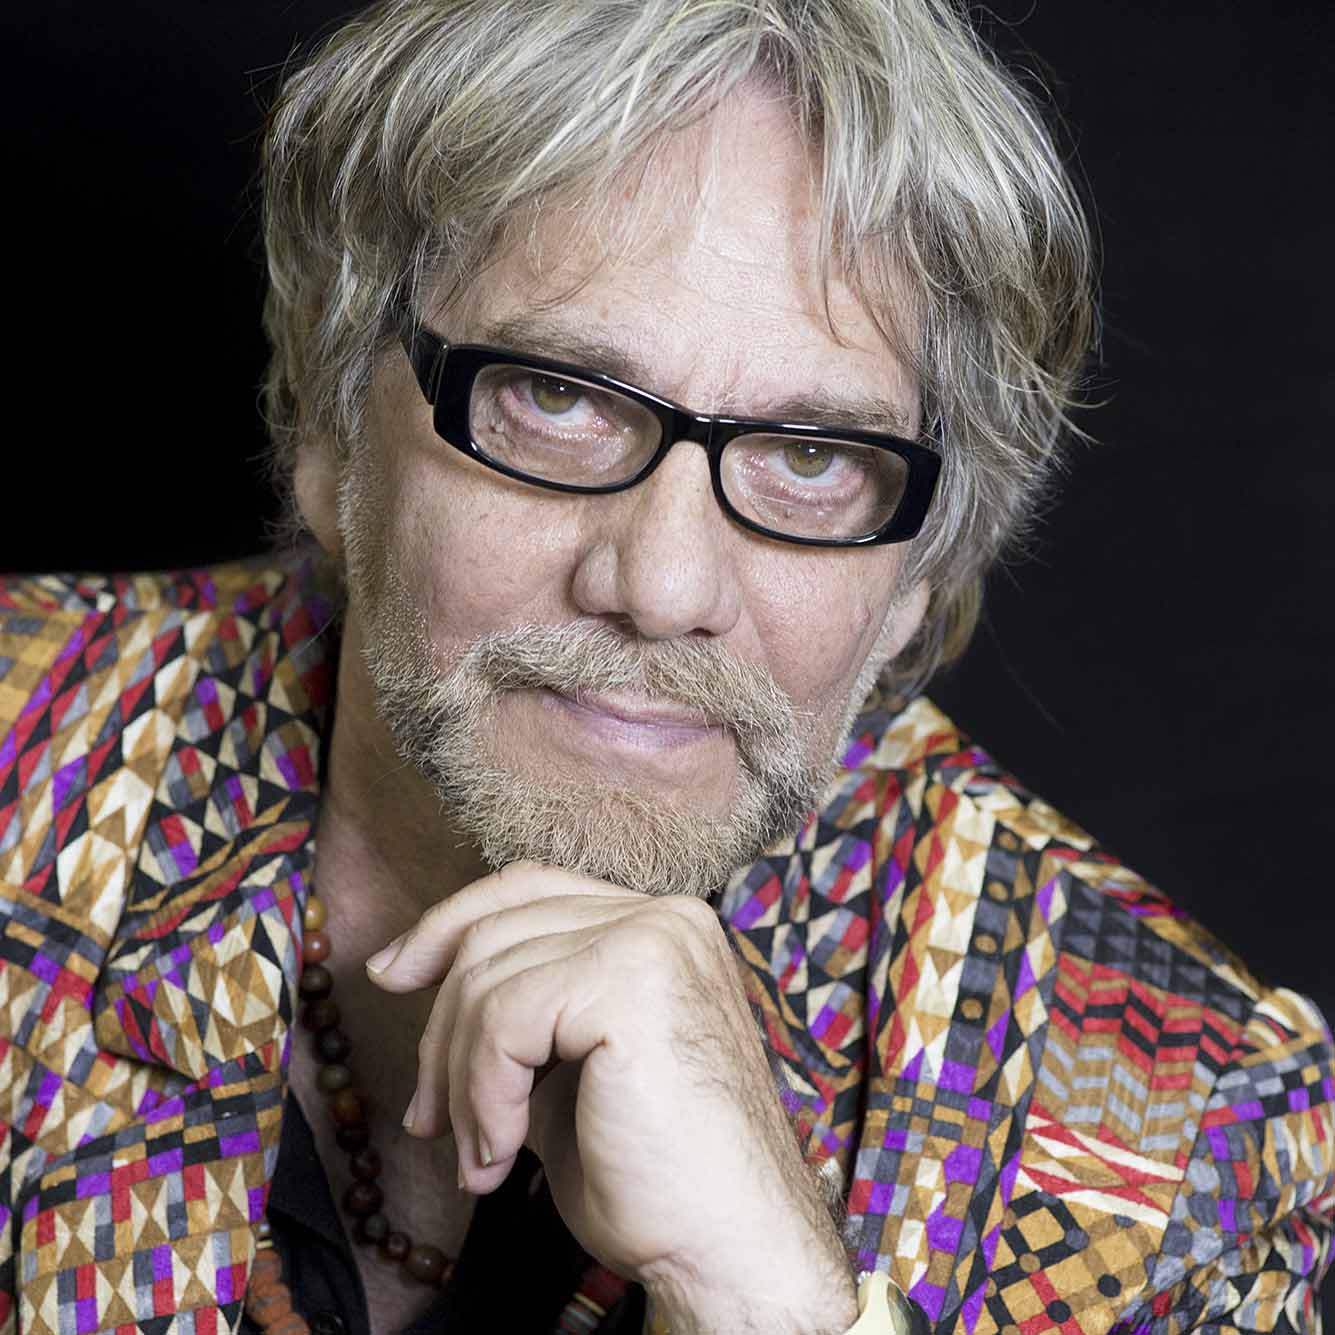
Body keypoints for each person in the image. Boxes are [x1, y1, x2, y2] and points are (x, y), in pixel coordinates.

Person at [1, 1, 1331, 1333]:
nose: (664, 588)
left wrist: (773, 1307)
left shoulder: (1183, 1137)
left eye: (813, 457)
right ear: (331, 429)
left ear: (917, 578)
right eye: (558, 397)